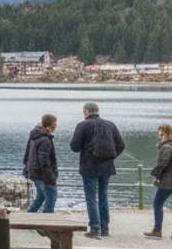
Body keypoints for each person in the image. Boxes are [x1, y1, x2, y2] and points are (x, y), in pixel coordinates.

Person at [70, 101, 126, 239]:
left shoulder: (83, 125)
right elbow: (121, 145)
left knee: (91, 198)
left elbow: (74, 147)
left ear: (86, 112)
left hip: (89, 166)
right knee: (103, 196)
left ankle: (94, 227)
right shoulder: (110, 124)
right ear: (97, 111)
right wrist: (110, 156)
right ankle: (105, 228)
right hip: (106, 166)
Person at [24, 114, 59, 213]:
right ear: (52, 124)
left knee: (41, 197)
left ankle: (28, 217)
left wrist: (27, 168)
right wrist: (50, 178)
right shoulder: (45, 140)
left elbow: (27, 154)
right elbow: (44, 162)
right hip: (42, 175)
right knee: (51, 197)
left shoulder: (35, 136)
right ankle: (46, 222)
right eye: (55, 123)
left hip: (33, 171)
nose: (56, 126)